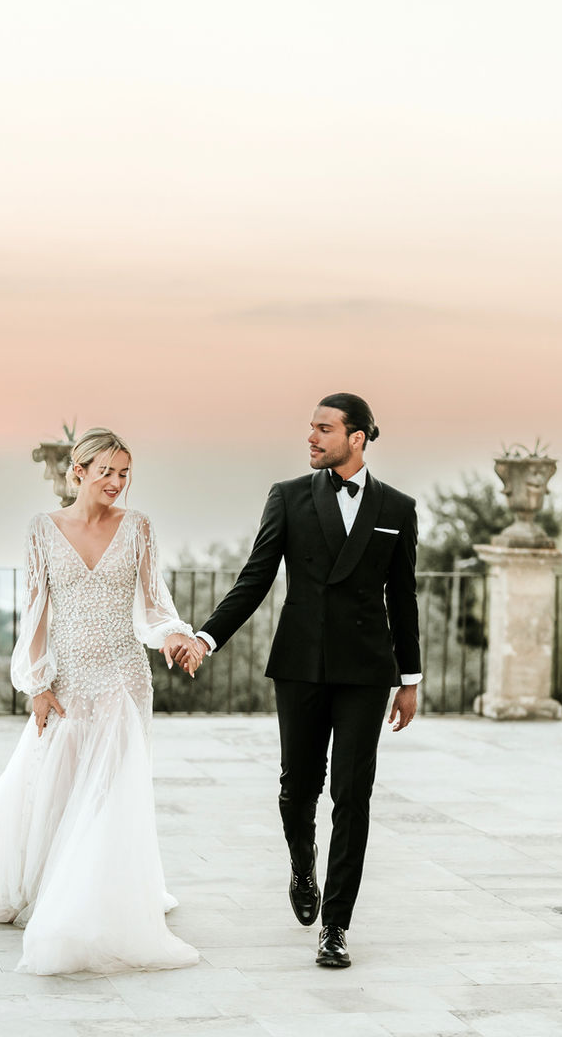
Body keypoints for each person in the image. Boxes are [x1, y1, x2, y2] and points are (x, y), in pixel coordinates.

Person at [0, 428, 204, 974]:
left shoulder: (139, 527)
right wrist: (36, 682)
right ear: (77, 472)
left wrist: (175, 634)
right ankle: (49, 882)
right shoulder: (43, 529)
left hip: (126, 677)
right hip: (71, 677)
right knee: (60, 778)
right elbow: (35, 609)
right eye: (105, 471)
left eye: (124, 473)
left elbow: (154, 603)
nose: (116, 482)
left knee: (115, 783)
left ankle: (102, 892)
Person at [172, 393, 421, 969]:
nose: (311, 437)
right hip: (300, 666)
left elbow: (401, 599)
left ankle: (335, 926)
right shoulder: (287, 497)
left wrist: (408, 680)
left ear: (356, 437)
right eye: (310, 428)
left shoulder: (398, 508)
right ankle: (301, 862)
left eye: (323, 429)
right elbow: (255, 578)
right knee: (297, 787)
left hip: (365, 673)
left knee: (352, 797)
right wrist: (206, 638)